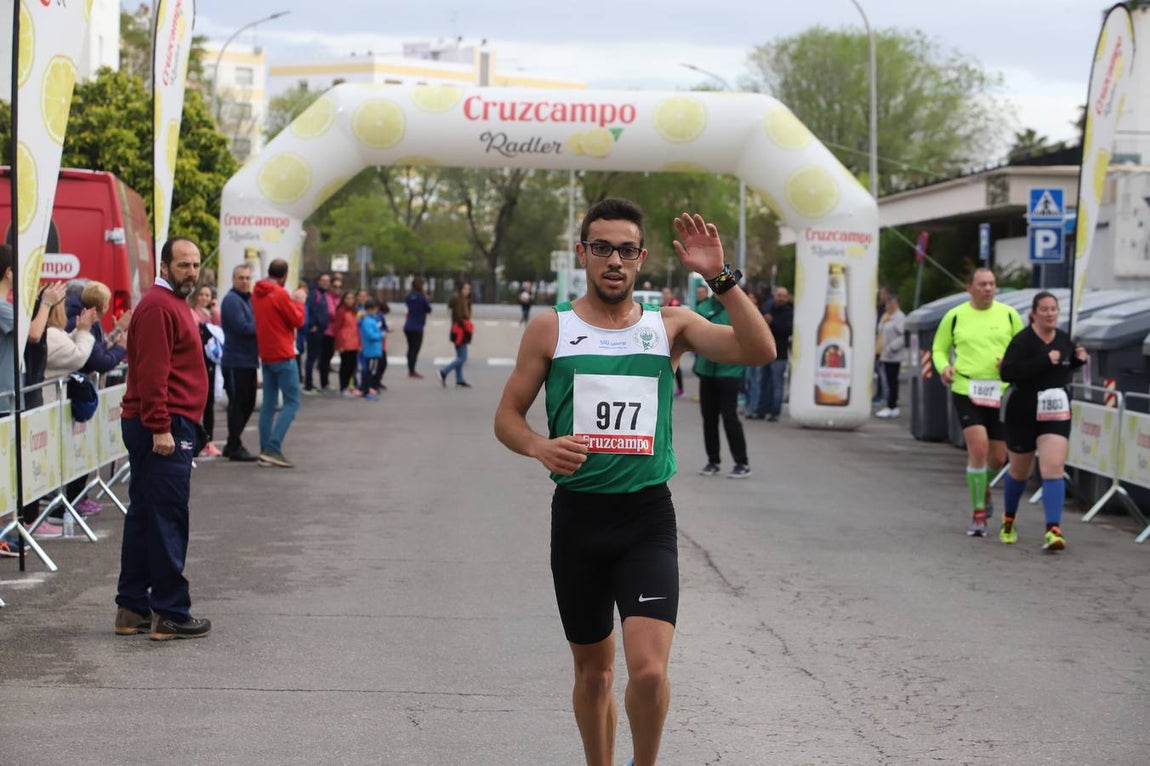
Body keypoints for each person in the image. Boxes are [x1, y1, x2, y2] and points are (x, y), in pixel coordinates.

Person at [494, 199, 774, 766]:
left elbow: (759, 350)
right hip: (577, 520)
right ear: (583, 255)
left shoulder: (667, 324)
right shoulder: (552, 327)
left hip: (646, 519)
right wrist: (539, 445)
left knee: (648, 672)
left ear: (641, 258)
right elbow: (507, 418)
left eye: (626, 249)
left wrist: (718, 278)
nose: (614, 260)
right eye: (602, 248)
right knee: (594, 675)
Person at [114, 236, 212, 641]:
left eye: (195, 265)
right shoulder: (158, 306)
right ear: (165, 264)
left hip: (165, 421)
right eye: (183, 265)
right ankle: (169, 612)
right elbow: (154, 373)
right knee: (167, 517)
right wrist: (160, 427)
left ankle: (132, 608)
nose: (191, 272)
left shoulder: (172, 303)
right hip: (162, 424)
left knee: (145, 516)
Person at [932, 267, 1023, 536]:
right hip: (966, 388)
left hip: (1000, 391)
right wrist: (943, 368)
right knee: (978, 448)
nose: (988, 289)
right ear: (969, 288)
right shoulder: (955, 316)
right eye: (982, 284)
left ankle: (983, 486)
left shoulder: (1008, 314)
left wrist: (1011, 364)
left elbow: (1022, 348)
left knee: (997, 458)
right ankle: (978, 514)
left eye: (992, 284)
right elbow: (938, 348)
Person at [998, 292, 1086, 551]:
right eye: (1044, 309)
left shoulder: (1063, 339)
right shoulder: (1022, 341)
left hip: (1055, 411)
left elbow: (1066, 367)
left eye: (1053, 309)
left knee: (1053, 467)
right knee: (1019, 471)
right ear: (1034, 314)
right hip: (1023, 410)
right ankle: (1009, 519)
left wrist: (1078, 360)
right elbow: (1007, 372)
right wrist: (1042, 361)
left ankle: (1053, 530)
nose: (1050, 314)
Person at [252, 258, 306, 468]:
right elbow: (297, 320)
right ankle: (273, 448)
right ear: (284, 275)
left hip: (266, 353)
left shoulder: (258, 292)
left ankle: (265, 449)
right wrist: (299, 303)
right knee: (292, 402)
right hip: (283, 353)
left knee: (269, 403)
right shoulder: (280, 293)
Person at [694, 283, 752, 477]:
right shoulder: (702, 307)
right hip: (707, 371)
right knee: (708, 419)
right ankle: (712, 461)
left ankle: (742, 462)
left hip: (730, 371)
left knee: (730, 417)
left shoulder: (737, 309)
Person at [219, 264, 259, 461]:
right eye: (241, 278)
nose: (244, 281)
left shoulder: (249, 299)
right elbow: (243, 328)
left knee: (249, 403)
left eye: (247, 278)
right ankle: (234, 445)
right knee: (238, 404)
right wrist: (263, 324)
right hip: (236, 361)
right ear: (233, 279)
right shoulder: (231, 300)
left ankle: (232, 442)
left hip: (249, 360)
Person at [760, 286, 793, 422]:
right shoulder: (768, 308)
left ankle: (775, 411)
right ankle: (763, 409)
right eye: (778, 295)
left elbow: (788, 330)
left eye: (783, 296)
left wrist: (772, 323)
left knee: (777, 384)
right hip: (765, 352)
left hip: (780, 353)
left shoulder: (789, 312)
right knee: (764, 382)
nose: (780, 298)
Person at [875, 290, 907, 419]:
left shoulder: (899, 318)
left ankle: (892, 406)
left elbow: (904, 336)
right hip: (883, 354)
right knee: (886, 380)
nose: (888, 306)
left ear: (896, 304)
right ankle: (890, 405)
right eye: (887, 304)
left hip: (893, 355)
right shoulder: (885, 317)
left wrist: (891, 347)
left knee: (891, 381)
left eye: (890, 304)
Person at [439, 281, 473, 388]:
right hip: (460, 331)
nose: (467, 291)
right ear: (460, 289)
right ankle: (444, 371)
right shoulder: (459, 300)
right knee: (463, 357)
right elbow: (459, 316)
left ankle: (459, 379)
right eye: (465, 289)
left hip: (458, 330)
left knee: (460, 356)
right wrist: (465, 328)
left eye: (468, 289)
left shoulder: (462, 300)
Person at [304, 272, 333, 393]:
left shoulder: (323, 294)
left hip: (322, 330)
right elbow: (307, 309)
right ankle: (308, 385)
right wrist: (311, 325)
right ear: (318, 281)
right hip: (314, 331)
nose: (326, 283)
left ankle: (314, 383)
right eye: (323, 280)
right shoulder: (314, 294)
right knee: (311, 358)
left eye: (328, 281)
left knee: (317, 357)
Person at [332, 290, 362, 397]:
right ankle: (343, 387)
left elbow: (356, 328)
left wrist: (359, 343)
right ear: (343, 300)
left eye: (352, 298)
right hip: (344, 342)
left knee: (352, 365)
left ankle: (348, 386)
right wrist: (338, 344)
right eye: (347, 298)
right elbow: (337, 328)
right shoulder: (341, 311)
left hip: (353, 341)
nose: (350, 301)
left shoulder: (354, 311)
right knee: (345, 365)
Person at [403, 277, 432, 378]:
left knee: (410, 348)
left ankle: (410, 368)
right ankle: (412, 370)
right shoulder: (422, 297)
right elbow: (428, 309)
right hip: (417, 326)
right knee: (415, 349)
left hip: (408, 325)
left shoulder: (408, 296)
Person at [358, 298, 385, 400]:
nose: (376, 312)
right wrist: (381, 335)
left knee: (370, 371)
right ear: (369, 310)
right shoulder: (368, 321)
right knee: (369, 372)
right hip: (371, 351)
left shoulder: (370, 320)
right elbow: (371, 336)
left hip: (373, 350)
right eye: (374, 310)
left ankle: (366, 389)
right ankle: (366, 391)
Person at [660, 287, 685, 396]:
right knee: (664, 364)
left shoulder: (675, 304)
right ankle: (665, 388)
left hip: (674, 339)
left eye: (667, 293)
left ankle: (680, 388)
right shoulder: (661, 305)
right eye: (664, 293)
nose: (665, 295)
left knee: (675, 364)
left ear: (671, 294)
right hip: (663, 338)